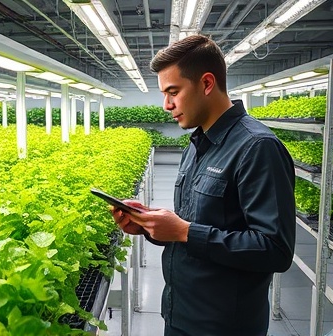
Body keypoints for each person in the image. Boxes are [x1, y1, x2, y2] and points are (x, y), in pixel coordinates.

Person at [112, 35, 296, 336]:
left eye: (173, 92)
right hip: (180, 314)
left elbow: (275, 250)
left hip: (223, 326)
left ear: (207, 84)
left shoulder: (257, 147)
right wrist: (150, 225)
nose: (166, 104)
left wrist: (184, 231)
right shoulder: (197, 144)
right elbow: (198, 224)